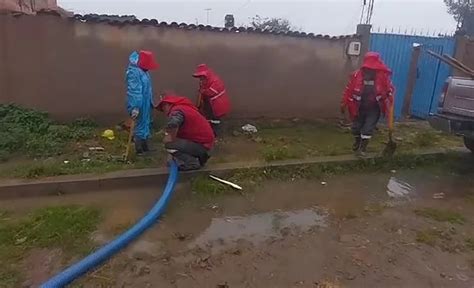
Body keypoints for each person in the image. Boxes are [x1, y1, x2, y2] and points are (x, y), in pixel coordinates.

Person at [341, 52, 394, 156]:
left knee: (368, 128)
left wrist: (389, 93)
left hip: (374, 108)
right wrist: (344, 103)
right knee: (356, 128)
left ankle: (362, 149)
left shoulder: (382, 76)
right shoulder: (356, 75)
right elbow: (348, 90)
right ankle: (357, 142)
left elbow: (389, 88)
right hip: (358, 107)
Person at [156, 92, 215, 171]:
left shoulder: (176, 111)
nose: (163, 111)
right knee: (175, 144)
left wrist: (170, 137)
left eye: (162, 108)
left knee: (170, 144)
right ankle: (201, 157)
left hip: (202, 145)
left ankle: (192, 163)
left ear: (167, 104)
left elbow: (173, 124)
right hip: (204, 143)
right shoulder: (185, 108)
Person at [126, 50, 159, 155]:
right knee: (140, 124)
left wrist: (150, 102)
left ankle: (145, 147)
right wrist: (135, 106)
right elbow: (134, 90)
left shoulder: (144, 71)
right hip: (138, 103)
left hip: (145, 102)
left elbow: (147, 88)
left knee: (145, 123)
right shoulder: (133, 72)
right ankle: (139, 150)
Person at [192, 64, 231, 136]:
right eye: (200, 77)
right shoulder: (204, 82)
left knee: (218, 120)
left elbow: (211, 92)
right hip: (210, 105)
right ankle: (211, 132)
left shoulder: (215, 81)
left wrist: (203, 91)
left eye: (202, 77)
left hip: (219, 105)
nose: (200, 79)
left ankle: (219, 134)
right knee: (210, 119)